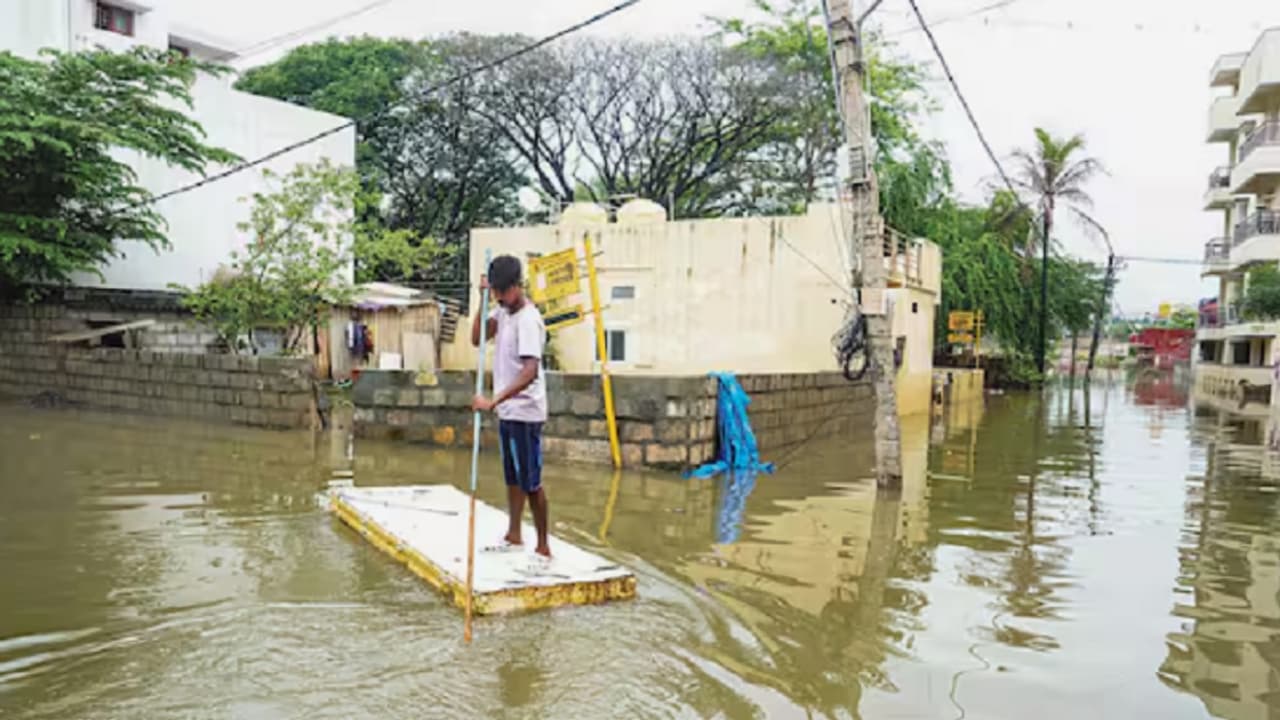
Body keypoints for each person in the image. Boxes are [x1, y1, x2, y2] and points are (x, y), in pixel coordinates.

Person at [470, 255, 551, 559]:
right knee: (512, 476)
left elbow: (530, 371)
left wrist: (493, 400)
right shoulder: (502, 312)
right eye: (495, 292)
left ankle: (543, 544)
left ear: (517, 286)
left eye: (503, 291)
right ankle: (514, 532)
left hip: (526, 411)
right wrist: (480, 300)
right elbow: (477, 338)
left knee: (531, 480)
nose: (500, 297)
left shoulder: (529, 319)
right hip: (507, 410)